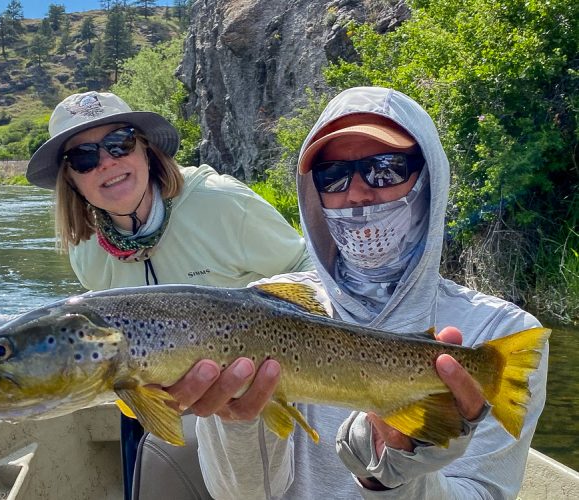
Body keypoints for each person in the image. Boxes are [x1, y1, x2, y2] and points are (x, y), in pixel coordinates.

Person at [162, 86, 549, 498]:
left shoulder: (497, 333)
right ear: (315, 194)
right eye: (333, 176)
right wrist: (238, 422)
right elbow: (244, 496)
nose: (358, 192)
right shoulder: (262, 313)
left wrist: (389, 473)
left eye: (385, 168)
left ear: (430, 177)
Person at [0, 91, 314, 499]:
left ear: (145, 150)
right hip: (163, 398)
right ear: (71, 180)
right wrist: (16, 332)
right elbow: (105, 328)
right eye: (83, 157)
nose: (107, 162)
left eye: (119, 143)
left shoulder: (221, 203)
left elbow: (307, 271)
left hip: (273, 384)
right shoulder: (86, 250)